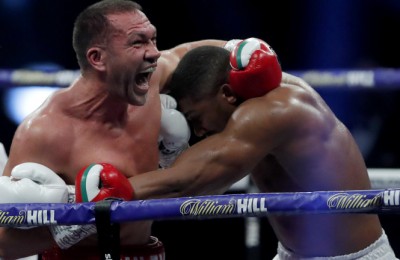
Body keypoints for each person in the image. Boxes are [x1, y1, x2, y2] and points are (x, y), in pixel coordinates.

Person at [127, 39, 398, 259]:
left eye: (196, 118)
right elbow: (180, 55)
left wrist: (113, 190)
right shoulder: (237, 80)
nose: (197, 131)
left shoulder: (272, 111)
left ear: (227, 94)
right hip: (292, 253)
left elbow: (190, 181)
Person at [0, 0, 228, 259]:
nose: (154, 53)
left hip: (150, 251)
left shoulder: (150, 82)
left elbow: (190, 53)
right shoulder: (45, 132)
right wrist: (73, 223)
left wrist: (243, 50)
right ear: (98, 58)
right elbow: (3, 245)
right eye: (138, 43)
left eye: (153, 40)